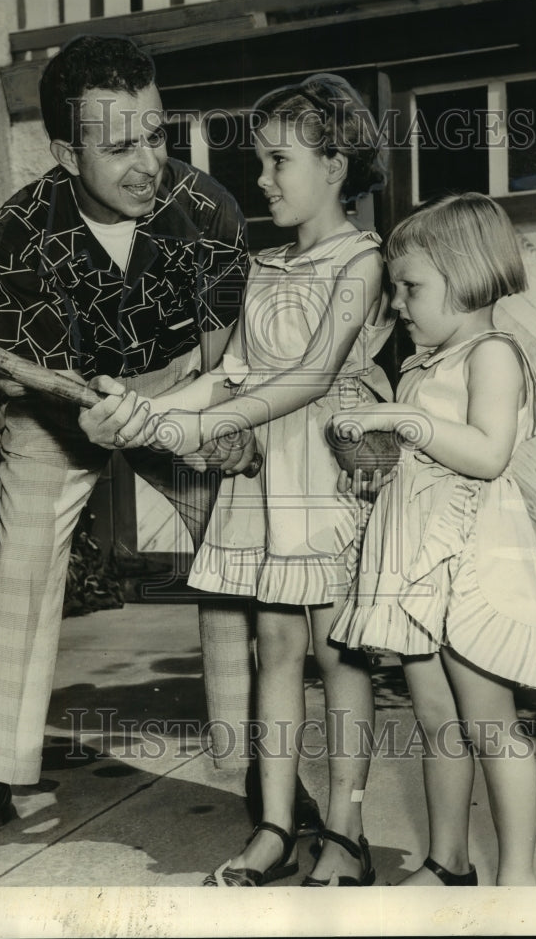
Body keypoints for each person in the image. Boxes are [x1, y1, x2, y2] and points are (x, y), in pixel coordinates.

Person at [0, 34, 322, 862]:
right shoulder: (15, 236)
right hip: (61, 404)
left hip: (185, 386)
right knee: (23, 564)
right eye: (118, 146)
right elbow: (45, 378)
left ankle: (261, 769)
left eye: (155, 134)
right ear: (67, 151)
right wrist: (96, 417)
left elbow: (227, 357)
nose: (148, 162)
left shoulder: (208, 207)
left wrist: (190, 417)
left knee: (235, 549)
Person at [119, 73, 394, 886]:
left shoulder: (363, 261)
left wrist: (204, 425)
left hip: (322, 473)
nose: (263, 179)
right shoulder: (264, 263)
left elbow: (311, 378)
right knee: (274, 643)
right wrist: (153, 412)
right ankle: (275, 824)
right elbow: (231, 373)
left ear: (336, 165)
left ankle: (345, 825)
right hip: (263, 477)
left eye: (280, 161)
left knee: (338, 652)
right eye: (262, 161)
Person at [328, 192, 536, 886]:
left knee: (489, 723)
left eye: (412, 287)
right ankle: (447, 861)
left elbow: (486, 454)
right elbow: (418, 461)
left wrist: (408, 424)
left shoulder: (494, 355)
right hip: (417, 562)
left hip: (471, 562)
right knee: (434, 715)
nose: (398, 304)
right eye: (394, 289)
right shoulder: (423, 365)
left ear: (468, 272)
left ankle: (518, 881)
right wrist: (373, 470)